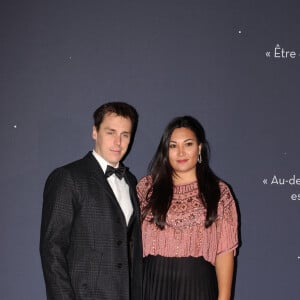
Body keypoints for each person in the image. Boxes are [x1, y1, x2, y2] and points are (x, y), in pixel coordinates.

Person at [40, 102, 142, 300]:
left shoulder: (130, 181)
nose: (118, 142)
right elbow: (52, 249)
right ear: (95, 132)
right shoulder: (68, 177)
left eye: (125, 135)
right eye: (110, 132)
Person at [137, 116, 239, 300]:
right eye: (173, 145)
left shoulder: (219, 193)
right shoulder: (146, 189)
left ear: (199, 148)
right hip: (150, 288)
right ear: (165, 151)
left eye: (188, 144)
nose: (181, 152)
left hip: (198, 288)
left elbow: (224, 252)